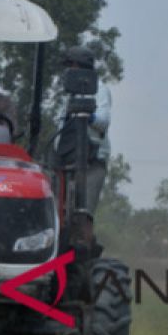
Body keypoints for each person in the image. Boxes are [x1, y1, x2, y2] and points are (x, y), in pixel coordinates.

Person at [56, 45, 112, 218]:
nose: (67, 71)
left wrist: (87, 115)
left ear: (78, 67)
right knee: (57, 214)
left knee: (83, 215)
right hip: (65, 162)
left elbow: (103, 122)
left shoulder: (100, 90)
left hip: (91, 163)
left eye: (70, 66)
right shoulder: (67, 95)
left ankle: (82, 243)